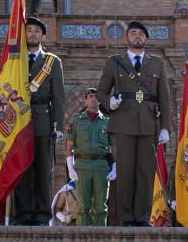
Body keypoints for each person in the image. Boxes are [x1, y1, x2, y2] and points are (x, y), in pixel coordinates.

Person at [97, 21, 172, 226]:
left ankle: (142, 217)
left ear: (146, 39)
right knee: (126, 173)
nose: (137, 36)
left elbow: (164, 97)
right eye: (133, 33)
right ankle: (126, 218)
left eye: (141, 34)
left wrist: (165, 127)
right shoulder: (114, 62)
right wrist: (109, 102)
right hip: (123, 123)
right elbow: (101, 91)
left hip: (148, 124)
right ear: (126, 38)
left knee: (145, 174)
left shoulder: (156, 63)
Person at [13, 16, 65, 225]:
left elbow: (59, 97)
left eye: (36, 31)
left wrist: (59, 126)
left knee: (43, 171)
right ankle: (23, 215)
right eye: (29, 30)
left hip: (43, 120)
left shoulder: (52, 62)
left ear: (43, 36)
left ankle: (42, 215)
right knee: (21, 170)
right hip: (19, 120)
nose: (32, 34)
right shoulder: (15, 60)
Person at [64, 87, 116, 225]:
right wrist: (70, 168)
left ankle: (101, 241)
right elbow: (69, 146)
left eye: (95, 96)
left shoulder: (108, 121)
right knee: (83, 207)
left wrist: (114, 167)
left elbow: (114, 147)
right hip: (82, 166)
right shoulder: (76, 120)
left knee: (101, 207)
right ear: (85, 100)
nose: (93, 98)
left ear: (99, 100)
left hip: (101, 166)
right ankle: (83, 241)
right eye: (90, 96)